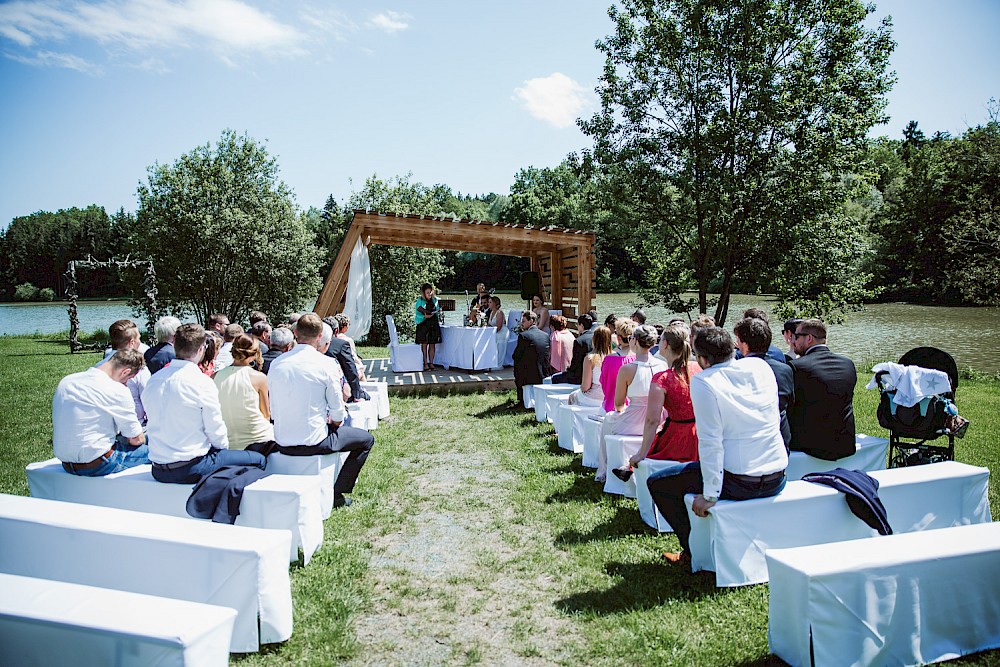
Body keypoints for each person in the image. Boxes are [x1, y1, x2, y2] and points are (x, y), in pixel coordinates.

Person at [648, 327, 788, 565]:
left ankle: (693, 552)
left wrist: (710, 495)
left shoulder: (704, 381)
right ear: (733, 347)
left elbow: (710, 441)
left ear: (701, 359)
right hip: (778, 474)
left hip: (742, 481)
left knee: (659, 483)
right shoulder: (760, 367)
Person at [268, 313, 376, 508]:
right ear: (320, 337)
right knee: (366, 440)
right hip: (314, 440)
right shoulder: (325, 364)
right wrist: (333, 423)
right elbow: (338, 413)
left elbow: (273, 411)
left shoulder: (277, 364)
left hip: (282, 439)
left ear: (295, 334)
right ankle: (337, 493)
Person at [144, 323, 266, 484]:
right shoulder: (201, 382)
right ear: (201, 349)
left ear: (174, 344)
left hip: (158, 469)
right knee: (258, 459)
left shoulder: (154, 380)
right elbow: (217, 433)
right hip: (191, 467)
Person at [52, 349, 150, 476]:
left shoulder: (67, 382)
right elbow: (136, 439)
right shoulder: (117, 389)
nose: (126, 385)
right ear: (125, 372)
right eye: (127, 380)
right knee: (156, 452)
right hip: (98, 462)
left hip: (66, 462)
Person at [598, 324, 666, 482]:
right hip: (658, 419)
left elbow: (618, 404)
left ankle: (604, 470)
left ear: (634, 341)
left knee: (608, 420)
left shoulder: (627, 369)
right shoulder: (662, 365)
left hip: (633, 421)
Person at [628, 324, 702, 468]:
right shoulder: (699, 368)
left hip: (677, 438)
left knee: (653, 456)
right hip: (701, 434)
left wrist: (641, 453)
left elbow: (652, 420)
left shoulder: (662, 379)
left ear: (666, 344)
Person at [788, 318, 857, 460]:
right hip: (845, 442)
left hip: (810, 444)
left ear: (809, 338)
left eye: (796, 336)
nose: (793, 341)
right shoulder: (848, 364)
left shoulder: (796, 367)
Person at [734, 317, 794, 449]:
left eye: (737, 340)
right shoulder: (785, 370)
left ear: (744, 344)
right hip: (780, 440)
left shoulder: (735, 371)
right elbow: (790, 405)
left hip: (748, 442)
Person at [214, 334, 274, 452]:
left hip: (227, 441)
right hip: (258, 439)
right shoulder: (259, 378)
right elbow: (266, 415)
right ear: (254, 355)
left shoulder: (215, 376)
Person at [95, 319, 150, 424]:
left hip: (105, 423)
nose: (140, 342)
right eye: (139, 338)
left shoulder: (98, 367)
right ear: (132, 343)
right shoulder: (139, 369)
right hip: (135, 425)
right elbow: (149, 401)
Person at [324, 316, 370, 402]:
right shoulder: (341, 344)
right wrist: (357, 393)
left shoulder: (310, 345)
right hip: (337, 391)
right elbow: (350, 369)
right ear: (336, 331)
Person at [512, 310, 552, 405]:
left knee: (518, 364)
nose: (522, 324)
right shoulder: (545, 335)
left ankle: (522, 399)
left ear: (531, 321)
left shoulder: (524, 336)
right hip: (543, 370)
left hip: (528, 371)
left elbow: (517, 355)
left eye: (524, 321)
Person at [567, 325, 612, 407]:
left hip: (593, 398)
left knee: (572, 396)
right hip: (610, 398)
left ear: (594, 339)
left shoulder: (590, 358)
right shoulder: (616, 357)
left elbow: (585, 387)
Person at [599, 319, 638, 413]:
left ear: (619, 338)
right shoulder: (639, 358)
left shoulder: (609, 360)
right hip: (633, 409)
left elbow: (604, 383)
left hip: (611, 406)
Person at [551, 311, 598, 385]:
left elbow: (575, 363)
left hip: (579, 375)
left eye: (577, 325)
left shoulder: (579, 341)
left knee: (555, 378)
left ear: (581, 325)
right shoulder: (596, 337)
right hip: (593, 373)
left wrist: (568, 370)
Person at [415, 283, 442, 371]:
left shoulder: (435, 300)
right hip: (423, 323)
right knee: (424, 343)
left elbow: (437, 309)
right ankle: (425, 363)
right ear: (423, 293)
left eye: (430, 292)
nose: (429, 294)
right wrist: (425, 315)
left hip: (433, 323)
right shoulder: (420, 300)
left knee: (432, 343)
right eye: (427, 292)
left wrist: (438, 311)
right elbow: (418, 310)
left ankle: (431, 362)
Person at [334, 314, 366, 381]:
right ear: (345, 327)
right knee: (361, 372)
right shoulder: (348, 340)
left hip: (335, 367)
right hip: (345, 369)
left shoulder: (331, 338)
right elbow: (353, 357)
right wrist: (361, 366)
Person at [489, 295, 509, 371]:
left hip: (502, 332)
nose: (489, 304)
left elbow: (499, 326)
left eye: (490, 302)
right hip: (494, 332)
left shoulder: (499, 313)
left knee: (499, 345)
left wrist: (491, 333)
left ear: (495, 304)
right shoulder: (491, 313)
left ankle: (499, 364)